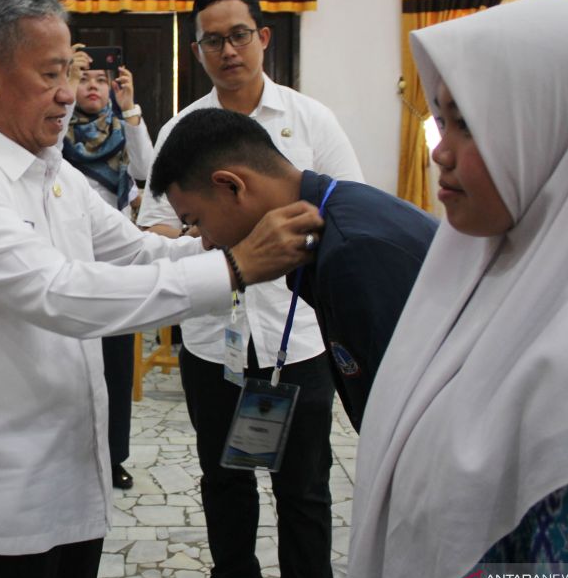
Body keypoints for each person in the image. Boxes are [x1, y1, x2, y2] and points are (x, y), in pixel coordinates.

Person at [0, 0, 324, 578]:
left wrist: (230, 238)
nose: (70, 93)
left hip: (67, 480)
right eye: (51, 75)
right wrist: (233, 269)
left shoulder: (53, 170)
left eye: (69, 70)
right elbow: (61, 294)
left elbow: (141, 250)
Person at [347, 0, 568, 578]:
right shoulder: (476, 275)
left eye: (469, 123)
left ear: (559, 130)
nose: (439, 150)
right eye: (442, 118)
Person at [137, 0, 362, 578]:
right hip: (215, 339)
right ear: (198, 50)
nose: (228, 50)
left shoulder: (310, 120)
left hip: (301, 337)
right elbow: (154, 224)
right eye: (214, 39)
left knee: (306, 490)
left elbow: (347, 209)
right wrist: (218, 243)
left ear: (262, 38)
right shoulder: (182, 130)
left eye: (239, 35)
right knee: (224, 481)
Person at [148, 107, 438, 431]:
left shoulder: (351, 251)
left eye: (196, 222)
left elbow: (409, 414)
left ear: (231, 186)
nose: (205, 242)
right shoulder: (332, 219)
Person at [62, 55, 154, 490]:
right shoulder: (56, 131)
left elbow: (145, 172)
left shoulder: (122, 130)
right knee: (68, 365)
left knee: (116, 367)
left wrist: (131, 108)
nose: (93, 88)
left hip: (115, 262)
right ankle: (72, 453)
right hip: (67, 261)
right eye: (83, 80)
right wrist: (64, 86)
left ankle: (114, 455)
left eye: (102, 81)